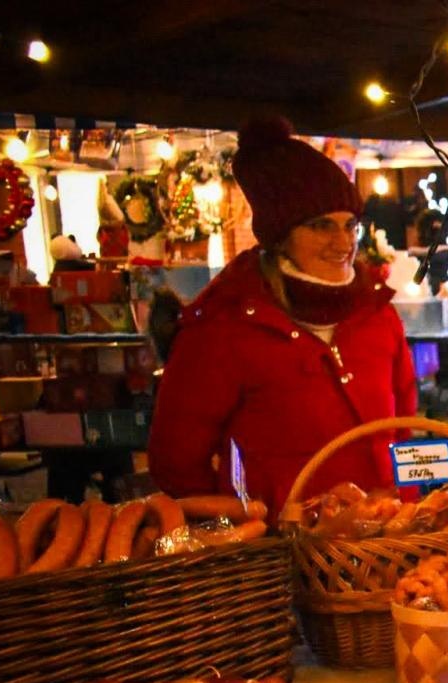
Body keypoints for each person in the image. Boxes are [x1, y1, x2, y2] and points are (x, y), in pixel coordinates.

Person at [149, 117, 417, 513]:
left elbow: (404, 427)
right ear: (281, 235)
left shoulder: (376, 314)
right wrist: (253, 523)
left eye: (350, 225)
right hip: (279, 554)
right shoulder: (223, 327)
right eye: (321, 226)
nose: (343, 243)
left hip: (385, 545)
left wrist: (407, 506)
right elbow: (175, 463)